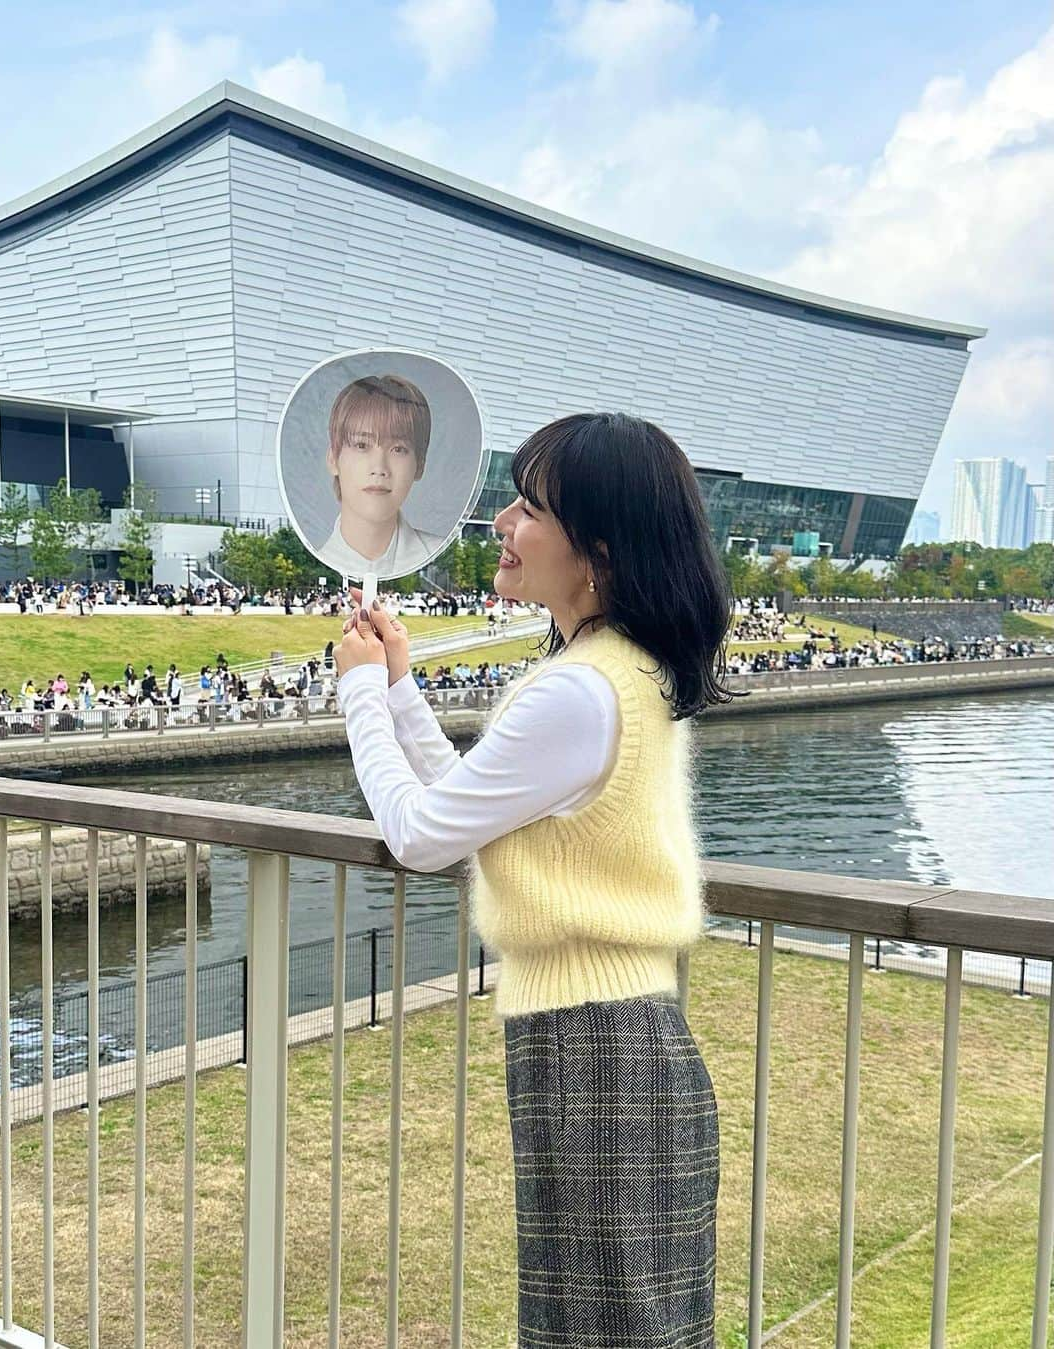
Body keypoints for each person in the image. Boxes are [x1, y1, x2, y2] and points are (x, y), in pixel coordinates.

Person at [334, 411, 733, 1348]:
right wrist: (396, 688)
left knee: (594, 1330)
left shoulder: (578, 688)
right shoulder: (616, 671)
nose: (501, 526)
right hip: (623, 1036)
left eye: (527, 507)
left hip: (592, 1051)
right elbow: (476, 803)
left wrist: (354, 691)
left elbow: (426, 834)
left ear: (593, 549)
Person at [315, 374, 445, 575]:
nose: (379, 468)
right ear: (333, 459)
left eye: (398, 449)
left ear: (419, 465)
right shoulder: (317, 560)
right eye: (361, 445)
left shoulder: (437, 554)